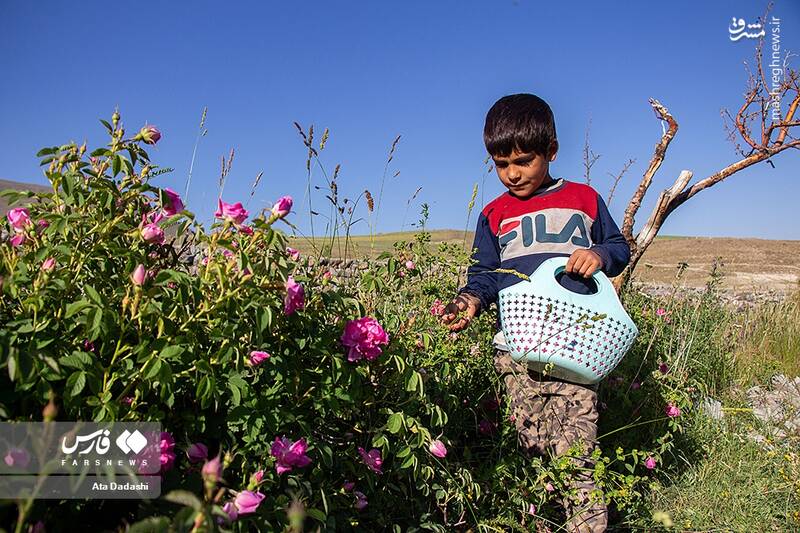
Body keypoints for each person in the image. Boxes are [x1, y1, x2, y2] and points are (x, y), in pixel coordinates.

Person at [440, 93, 630, 532]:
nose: (511, 173)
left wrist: (598, 255)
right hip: (516, 349)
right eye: (500, 163)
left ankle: (588, 525)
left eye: (523, 160)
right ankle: (544, 523)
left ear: (551, 152)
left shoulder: (583, 199)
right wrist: (469, 301)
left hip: (576, 346)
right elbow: (484, 274)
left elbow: (619, 248)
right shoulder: (493, 214)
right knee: (533, 447)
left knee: (577, 452)